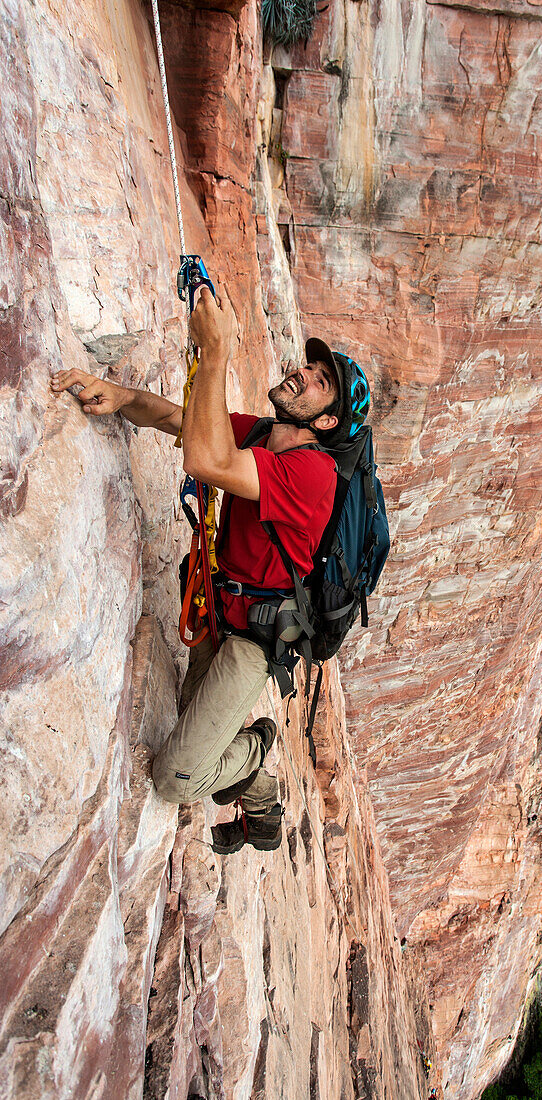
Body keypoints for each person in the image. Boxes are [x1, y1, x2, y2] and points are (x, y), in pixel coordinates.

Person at [51, 286, 370, 851]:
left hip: (252, 640)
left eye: (319, 382)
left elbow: (206, 459)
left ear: (325, 425)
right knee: (193, 726)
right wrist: (120, 395)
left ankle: (255, 751)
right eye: (309, 366)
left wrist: (217, 353)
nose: (300, 373)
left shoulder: (313, 476)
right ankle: (257, 792)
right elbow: (183, 420)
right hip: (217, 607)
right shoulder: (260, 434)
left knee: (176, 775)